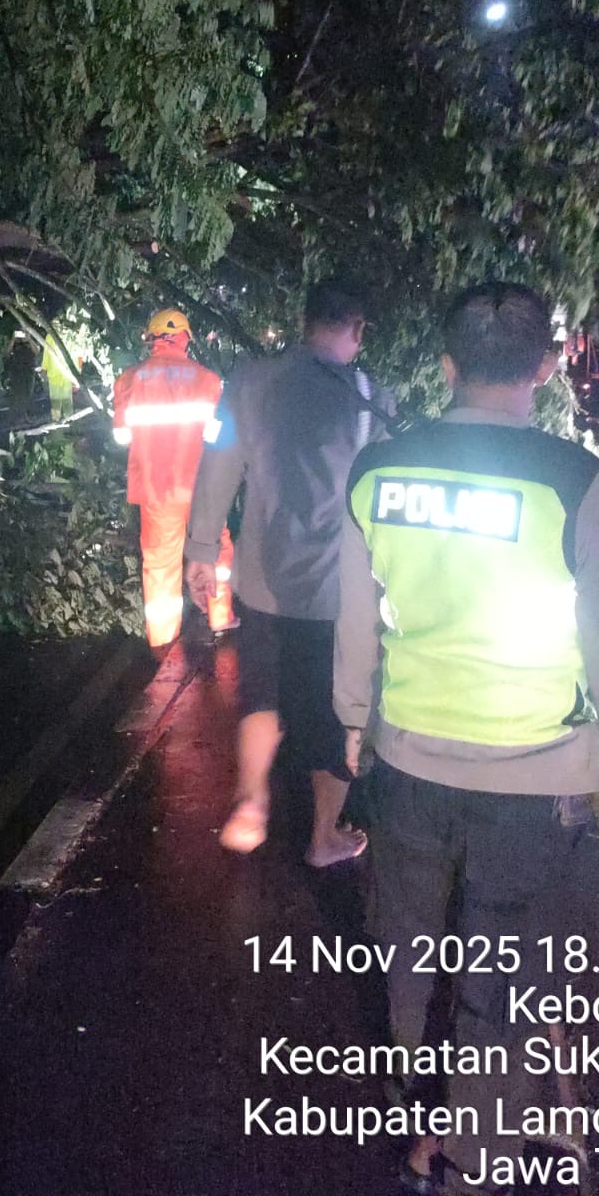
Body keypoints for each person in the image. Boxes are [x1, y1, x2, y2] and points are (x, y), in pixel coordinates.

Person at [334, 283, 599, 1196]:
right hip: (533, 778)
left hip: (407, 759)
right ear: (548, 368)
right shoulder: (575, 482)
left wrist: (356, 730)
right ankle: (469, 1155)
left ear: (445, 367)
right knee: (503, 973)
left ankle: (425, 1130)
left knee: (412, 956)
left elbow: (357, 620)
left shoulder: (379, 472)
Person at [185, 279, 391, 865]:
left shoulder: (248, 383)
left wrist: (202, 549)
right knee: (338, 713)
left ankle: (251, 801)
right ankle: (325, 835)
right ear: (356, 329)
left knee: (263, 693)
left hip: (263, 580)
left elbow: (217, 464)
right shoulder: (373, 398)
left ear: (305, 322)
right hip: (338, 591)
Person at [113, 309, 235, 649]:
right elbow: (217, 440)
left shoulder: (128, 379)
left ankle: (163, 644)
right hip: (200, 489)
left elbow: (122, 437)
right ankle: (221, 617)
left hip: (156, 491)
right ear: (185, 338)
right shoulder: (208, 381)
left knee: (160, 567)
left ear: (151, 338)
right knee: (215, 549)